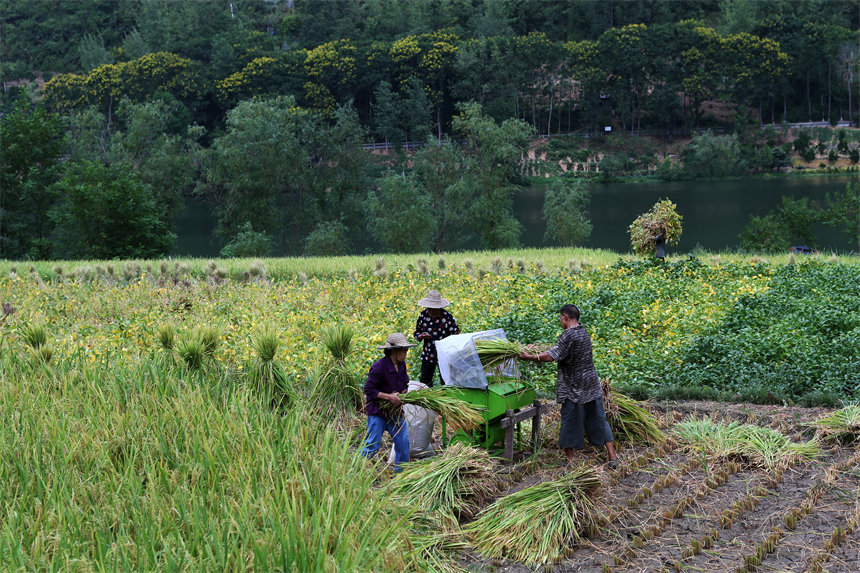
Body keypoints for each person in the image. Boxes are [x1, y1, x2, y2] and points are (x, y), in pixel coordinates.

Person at [519, 304, 618, 468]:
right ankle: (612, 457)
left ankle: (570, 462)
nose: (560, 321)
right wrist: (537, 348)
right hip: (591, 385)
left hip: (574, 387)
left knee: (569, 422)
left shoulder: (568, 335)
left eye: (560, 318)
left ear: (565, 317)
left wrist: (529, 356)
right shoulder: (583, 331)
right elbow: (560, 348)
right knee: (599, 420)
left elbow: (551, 356)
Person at [360, 332, 414, 472]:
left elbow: (405, 383)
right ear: (394, 351)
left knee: (403, 443)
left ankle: (399, 477)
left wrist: (403, 393)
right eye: (403, 350)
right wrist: (389, 397)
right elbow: (369, 389)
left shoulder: (402, 366)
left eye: (406, 350)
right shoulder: (379, 367)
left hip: (394, 411)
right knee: (373, 445)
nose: (405, 353)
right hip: (378, 411)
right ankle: (356, 471)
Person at [413, 289, 460, 387]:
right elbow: (417, 332)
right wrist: (421, 336)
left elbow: (456, 334)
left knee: (446, 380)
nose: (432, 311)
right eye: (430, 308)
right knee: (425, 380)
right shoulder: (423, 315)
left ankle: (446, 399)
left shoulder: (446, 316)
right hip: (428, 353)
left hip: (444, 353)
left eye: (435, 308)